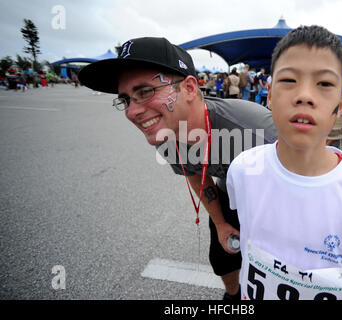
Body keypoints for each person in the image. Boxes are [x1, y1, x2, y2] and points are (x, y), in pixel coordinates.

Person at [78, 37, 278, 300]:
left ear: (190, 88)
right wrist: (219, 223)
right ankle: (233, 296)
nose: (132, 112)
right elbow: (194, 172)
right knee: (222, 259)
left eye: (145, 91)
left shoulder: (257, 131)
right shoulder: (164, 131)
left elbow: (313, 175)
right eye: (126, 100)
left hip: (277, 199)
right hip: (230, 194)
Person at [226, 25, 342, 300]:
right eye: (288, 80)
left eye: (324, 84)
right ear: (270, 93)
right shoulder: (243, 170)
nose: (305, 95)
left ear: (340, 104)